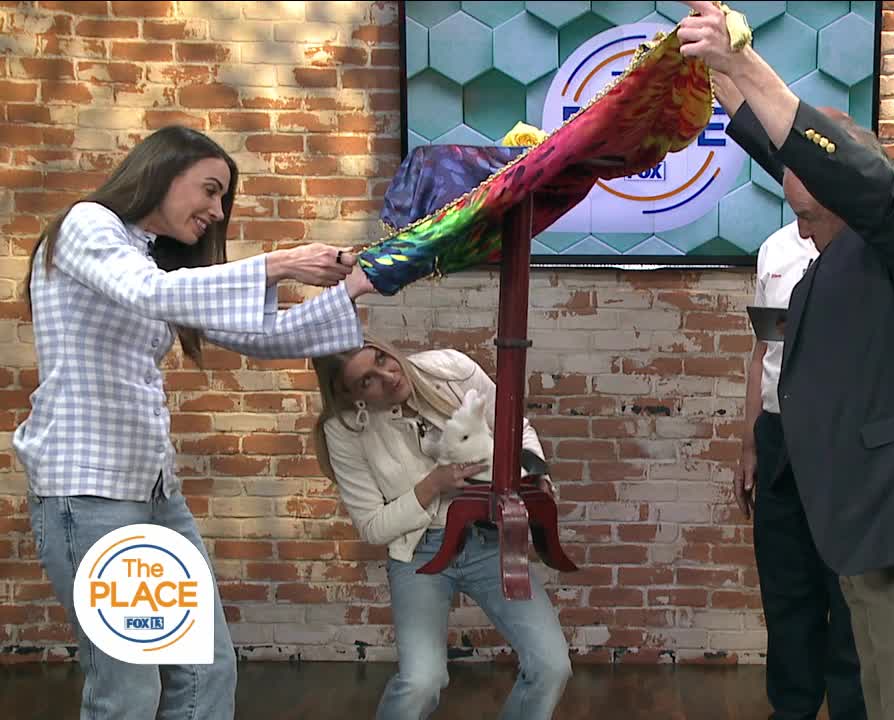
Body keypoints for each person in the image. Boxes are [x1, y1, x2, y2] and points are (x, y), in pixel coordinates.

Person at [678, 3, 894, 719]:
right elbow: (793, 160)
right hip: (876, 532)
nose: (803, 232)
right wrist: (717, 74)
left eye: (810, 216)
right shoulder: (841, 232)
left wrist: (744, 62)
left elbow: (858, 186)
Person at [16, 124, 376, 719]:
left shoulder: (155, 263)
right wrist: (283, 262)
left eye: (223, 198)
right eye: (210, 190)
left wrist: (361, 283)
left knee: (206, 672)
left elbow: (262, 335)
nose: (217, 211)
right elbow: (149, 293)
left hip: (153, 491)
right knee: (128, 692)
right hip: (89, 491)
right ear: (161, 173)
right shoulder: (88, 224)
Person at [311, 336, 571, 720]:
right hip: (420, 551)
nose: (388, 376)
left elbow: (515, 429)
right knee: (422, 681)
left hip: (488, 541)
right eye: (367, 381)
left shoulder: (450, 369)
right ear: (350, 396)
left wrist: (537, 475)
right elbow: (372, 527)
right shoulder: (343, 430)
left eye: (382, 359)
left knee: (551, 666)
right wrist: (434, 484)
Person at [740, 219, 865, 720]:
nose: (806, 230)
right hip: (779, 435)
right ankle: (791, 708)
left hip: (846, 438)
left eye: (812, 216)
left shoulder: (870, 249)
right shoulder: (773, 248)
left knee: (851, 592)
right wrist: (749, 442)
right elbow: (761, 354)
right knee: (786, 588)